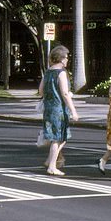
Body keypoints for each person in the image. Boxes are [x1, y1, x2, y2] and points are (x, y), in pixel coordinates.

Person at [39, 45, 79, 176]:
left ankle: (50, 161)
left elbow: (40, 91)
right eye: (66, 57)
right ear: (61, 59)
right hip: (59, 109)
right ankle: (51, 165)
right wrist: (74, 111)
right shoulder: (61, 73)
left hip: (49, 107)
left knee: (57, 137)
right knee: (59, 138)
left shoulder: (48, 72)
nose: (67, 60)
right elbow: (65, 93)